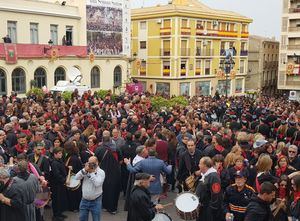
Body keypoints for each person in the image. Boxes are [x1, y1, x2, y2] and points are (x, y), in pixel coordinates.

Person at [94, 130, 121, 214]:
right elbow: (120, 160)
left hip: (102, 173)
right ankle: (112, 208)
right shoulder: (116, 148)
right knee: (113, 191)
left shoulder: (98, 149)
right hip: (114, 173)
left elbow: (95, 161)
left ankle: (105, 206)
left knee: (104, 189)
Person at [75, 156, 105, 221]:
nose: (91, 165)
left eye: (92, 163)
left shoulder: (101, 172)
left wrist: (91, 173)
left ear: (97, 163)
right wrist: (84, 170)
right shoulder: (86, 170)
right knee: (82, 219)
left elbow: (97, 184)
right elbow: (76, 178)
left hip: (96, 201)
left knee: (96, 219)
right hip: (84, 200)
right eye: (89, 163)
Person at [196, 156, 223, 221]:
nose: (198, 165)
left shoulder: (213, 177)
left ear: (205, 165)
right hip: (203, 208)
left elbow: (216, 195)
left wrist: (211, 210)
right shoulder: (206, 175)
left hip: (208, 211)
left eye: (200, 164)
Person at [49, 147, 68, 221]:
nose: (61, 154)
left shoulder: (59, 161)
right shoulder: (54, 163)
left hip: (60, 184)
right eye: (59, 153)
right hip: (56, 185)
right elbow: (57, 175)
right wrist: (64, 180)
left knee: (59, 199)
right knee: (56, 200)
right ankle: (55, 215)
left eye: (61, 153)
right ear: (55, 154)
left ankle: (59, 213)